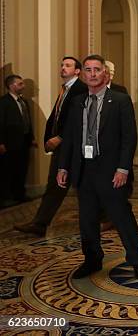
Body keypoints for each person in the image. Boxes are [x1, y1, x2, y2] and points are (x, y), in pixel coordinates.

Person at [57, 54, 138, 280]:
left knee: (121, 217)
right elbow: (69, 138)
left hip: (111, 171)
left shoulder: (119, 100)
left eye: (97, 69)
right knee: (87, 220)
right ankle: (92, 260)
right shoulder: (77, 102)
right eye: (88, 70)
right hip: (83, 170)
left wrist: (123, 169)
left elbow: (129, 138)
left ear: (104, 74)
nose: (92, 74)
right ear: (83, 74)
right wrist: (63, 167)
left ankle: (137, 261)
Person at [14, 57, 88, 236]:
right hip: (61, 148)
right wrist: (49, 139)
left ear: (77, 71)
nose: (63, 68)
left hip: (72, 147)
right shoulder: (65, 89)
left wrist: (61, 138)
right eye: (62, 65)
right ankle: (40, 224)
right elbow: (57, 117)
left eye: (68, 65)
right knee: (56, 186)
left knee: (84, 186)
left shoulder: (80, 89)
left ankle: (110, 215)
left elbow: (79, 120)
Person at [0, 75, 34, 205]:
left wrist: (31, 138)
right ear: (12, 86)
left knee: (22, 169)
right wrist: (1, 142)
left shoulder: (23, 101)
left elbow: (27, 121)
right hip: (9, 143)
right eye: (20, 84)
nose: (23, 86)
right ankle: (6, 196)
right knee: (8, 170)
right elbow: (1, 123)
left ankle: (19, 194)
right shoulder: (4, 102)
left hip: (24, 141)